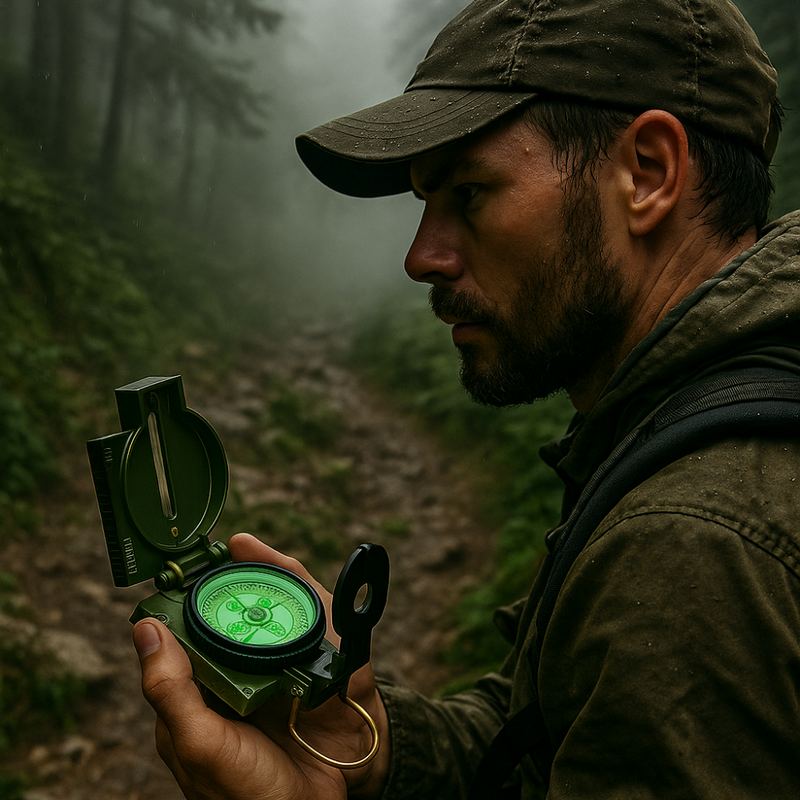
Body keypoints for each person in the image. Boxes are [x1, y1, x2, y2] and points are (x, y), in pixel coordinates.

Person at [132, 0, 800, 797]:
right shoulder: (704, 414)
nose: (422, 256)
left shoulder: (693, 546)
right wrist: (373, 752)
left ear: (648, 172)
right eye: (424, 202)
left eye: (470, 193)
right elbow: (550, 723)